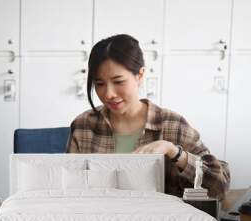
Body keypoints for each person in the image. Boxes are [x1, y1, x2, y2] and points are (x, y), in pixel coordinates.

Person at [66, 34, 230, 199]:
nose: (109, 94)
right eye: (99, 84)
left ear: (140, 75)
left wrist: (173, 152)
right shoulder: (83, 126)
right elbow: (69, 190)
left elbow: (219, 186)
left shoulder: (173, 125)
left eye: (118, 82)